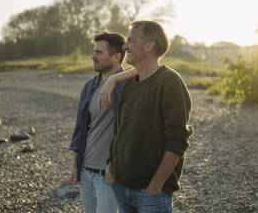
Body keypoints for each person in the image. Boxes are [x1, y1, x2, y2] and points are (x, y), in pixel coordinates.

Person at [105, 21, 193, 213]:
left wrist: (155, 187)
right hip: (121, 185)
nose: (124, 46)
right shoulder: (130, 85)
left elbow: (177, 141)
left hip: (151, 194)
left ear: (148, 46)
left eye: (130, 40)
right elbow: (119, 130)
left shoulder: (169, 82)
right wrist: (110, 168)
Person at [69, 31, 128, 213]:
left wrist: (115, 78)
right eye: (94, 51)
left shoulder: (129, 84)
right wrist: (75, 164)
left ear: (117, 56)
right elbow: (81, 129)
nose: (93, 56)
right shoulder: (89, 86)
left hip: (110, 175)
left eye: (99, 53)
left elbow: (151, 69)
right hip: (86, 171)